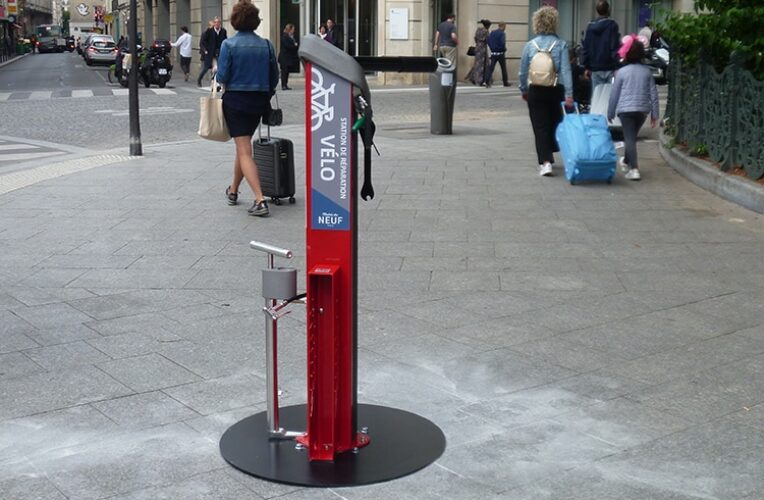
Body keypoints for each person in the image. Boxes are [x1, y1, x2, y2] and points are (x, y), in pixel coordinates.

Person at [216, 0, 279, 217]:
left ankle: (260, 200)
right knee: (243, 149)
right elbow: (275, 77)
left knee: (244, 150)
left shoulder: (228, 45)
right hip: (259, 102)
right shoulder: (266, 45)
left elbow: (222, 77)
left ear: (235, 21)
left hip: (236, 101)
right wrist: (266, 93)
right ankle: (233, 190)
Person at [518, 6, 573, 177]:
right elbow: (565, 71)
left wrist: (524, 89)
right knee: (554, 123)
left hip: (535, 89)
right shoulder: (561, 45)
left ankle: (546, 162)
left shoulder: (529, 45)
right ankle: (551, 153)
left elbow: (522, 71)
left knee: (539, 126)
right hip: (555, 89)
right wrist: (569, 94)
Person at [607, 35, 659, 181]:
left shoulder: (621, 72)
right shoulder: (647, 72)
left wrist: (610, 112)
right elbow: (653, 94)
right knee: (631, 137)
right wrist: (655, 114)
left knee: (629, 138)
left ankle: (634, 169)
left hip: (625, 110)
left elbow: (614, 94)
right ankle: (626, 161)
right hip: (642, 110)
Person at [581, 0, 620, 95]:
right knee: (608, 98)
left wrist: (586, 66)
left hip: (595, 68)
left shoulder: (590, 26)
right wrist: (617, 66)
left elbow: (587, 47)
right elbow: (614, 46)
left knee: (596, 97)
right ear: (608, 10)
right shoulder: (612, 25)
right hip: (609, 66)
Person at [197, 17, 227, 87]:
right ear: (214, 23)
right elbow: (203, 42)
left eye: (218, 22)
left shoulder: (223, 31)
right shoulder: (209, 31)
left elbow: (225, 40)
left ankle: (214, 81)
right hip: (210, 52)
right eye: (215, 22)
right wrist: (205, 50)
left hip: (219, 52)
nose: (217, 24)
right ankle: (199, 79)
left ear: (220, 23)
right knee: (206, 68)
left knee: (218, 67)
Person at [467, 20, 491, 86]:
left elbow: (475, 38)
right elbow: (488, 39)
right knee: (482, 65)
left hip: (477, 47)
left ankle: (473, 78)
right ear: (487, 25)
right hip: (483, 48)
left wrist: (478, 43)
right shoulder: (486, 31)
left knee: (477, 64)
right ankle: (479, 80)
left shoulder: (478, 30)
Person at [487, 22, 510, 87]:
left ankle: (487, 81)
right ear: (502, 26)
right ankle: (505, 82)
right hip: (500, 53)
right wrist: (504, 49)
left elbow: (488, 40)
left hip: (493, 53)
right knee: (503, 68)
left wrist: (491, 47)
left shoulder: (492, 32)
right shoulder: (502, 34)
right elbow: (502, 43)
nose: (505, 28)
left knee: (491, 68)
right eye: (505, 27)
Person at [278, 23, 298, 90]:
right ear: (289, 29)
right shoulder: (285, 36)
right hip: (284, 57)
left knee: (287, 72)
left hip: (288, 57)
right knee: (284, 71)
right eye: (292, 29)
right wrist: (294, 46)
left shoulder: (291, 36)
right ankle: (283, 85)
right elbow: (287, 46)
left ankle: (285, 84)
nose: (293, 31)